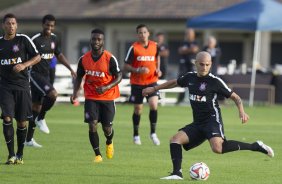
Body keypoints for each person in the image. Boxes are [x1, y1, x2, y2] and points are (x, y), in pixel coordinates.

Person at [142, 51, 274, 180]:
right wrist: (154, 89)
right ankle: (177, 173)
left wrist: (242, 111)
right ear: (195, 63)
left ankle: (255, 146)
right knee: (175, 140)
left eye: (207, 64)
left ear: (210, 64)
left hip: (212, 121)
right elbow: (175, 82)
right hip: (198, 123)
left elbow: (235, 97)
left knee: (218, 148)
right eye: (201, 64)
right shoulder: (190, 77)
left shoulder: (215, 81)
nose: (204, 67)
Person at [71, 28, 122, 163]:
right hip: (91, 96)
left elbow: (119, 76)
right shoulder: (84, 59)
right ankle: (97, 155)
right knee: (92, 124)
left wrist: (106, 86)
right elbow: (79, 77)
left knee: (107, 128)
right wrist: (75, 93)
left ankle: (109, 141)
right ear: (90, 40)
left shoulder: (110, 58)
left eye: (99, 39)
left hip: (107, 97)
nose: (96, 42)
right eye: (94, 39)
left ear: (103, 41)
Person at [25, 14, 76, 147]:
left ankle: (28, 139)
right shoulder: (35, 40)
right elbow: (25, 57)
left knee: (35, 106)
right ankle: (41, 118)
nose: (49, 28)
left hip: (46, 75)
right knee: (53, 95)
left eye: (52, 26)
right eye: (47, 25)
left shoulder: (54, 39)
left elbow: (59, 55)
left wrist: (70, 68)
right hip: (35, 74)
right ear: (43, 25)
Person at [0, 13, 41, 164]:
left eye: (13, 23)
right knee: (7, 117)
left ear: (16, 26)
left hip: (22, 86)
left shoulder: (23, 40)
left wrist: (24, 65)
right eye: (8, 23)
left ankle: (19, 154)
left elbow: (37, 57)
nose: (11, 26)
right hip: (5, 87)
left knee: (22, 122)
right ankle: (11, 155)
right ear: (3, 25)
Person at [124, 24, 162, 146]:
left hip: (152, 81)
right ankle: (136, 134)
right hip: (137, 83)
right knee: (138, 109)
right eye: (140, 33)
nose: (142, 34)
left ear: (148, 33)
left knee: (153, 104)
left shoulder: (155, 45)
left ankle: (153, 133)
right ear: (137, 35)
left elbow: (158, 57)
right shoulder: (134, 48)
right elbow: (126, 66)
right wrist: (138, 70)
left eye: (144, 32)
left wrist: (158, 69)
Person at [176, 28, 199, 104]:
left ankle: (192, 99)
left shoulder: (196, 42)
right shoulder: (183, 42)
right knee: (182, 80)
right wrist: (190, 49)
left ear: (193, 34)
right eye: (187, 33)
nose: (188, 35)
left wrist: (185, 50)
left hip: (192, 64)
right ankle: (180, 99)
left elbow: (195, 50)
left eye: (190, 33)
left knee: (193, 81)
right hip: (183, 65)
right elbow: (180, 51)